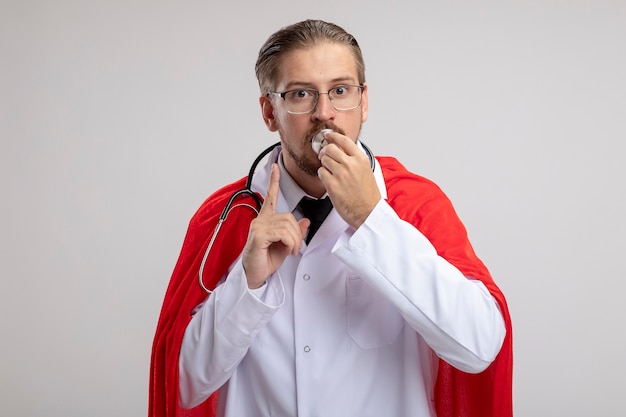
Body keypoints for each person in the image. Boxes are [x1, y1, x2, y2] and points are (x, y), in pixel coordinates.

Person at [149, 19, 512, 417]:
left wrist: (373, 221)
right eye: (302, 94)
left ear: (364, 102)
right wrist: (247, 285)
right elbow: (182, 388)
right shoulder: (224, 218)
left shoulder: (415, 204)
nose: (325, 113)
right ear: (270, 111)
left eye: (340, 91)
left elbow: (480, 347)